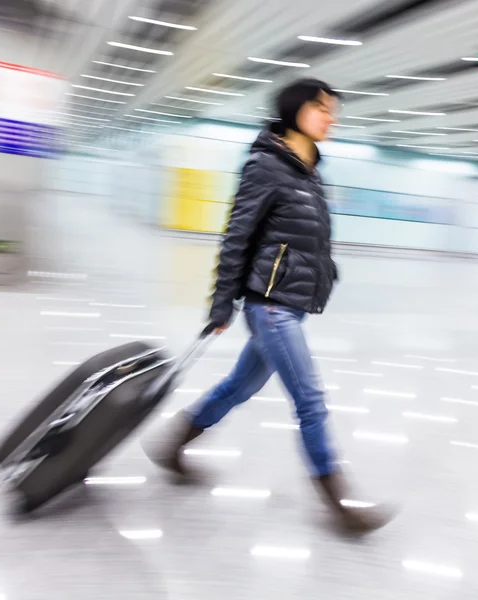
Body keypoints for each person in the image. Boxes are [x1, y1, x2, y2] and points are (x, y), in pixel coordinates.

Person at [145, 78, 395, 533]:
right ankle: (337, 499)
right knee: (310, 399)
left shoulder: (309, 168)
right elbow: (237, 236)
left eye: (333, 110)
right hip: (271, 306)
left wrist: (324, 270)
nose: (331, 117)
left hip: (291, 303)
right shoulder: (266, 165)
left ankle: (173, 443)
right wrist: (221, 304)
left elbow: (303, 237)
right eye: (322, 108)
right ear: (295, 110)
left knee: (238, 388)